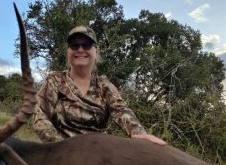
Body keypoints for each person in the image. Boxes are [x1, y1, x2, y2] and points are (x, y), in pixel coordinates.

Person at [33, 25, 166, 146]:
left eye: (86, 45)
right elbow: (40, 116)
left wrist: (140, 134)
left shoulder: (104, 85)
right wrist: (60, 146)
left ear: (96, 51)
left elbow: (121, 111)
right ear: (68, 51)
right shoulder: (55, 81)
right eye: (74, 45)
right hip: (61, 154)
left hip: (98, 154)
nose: (80, 49)